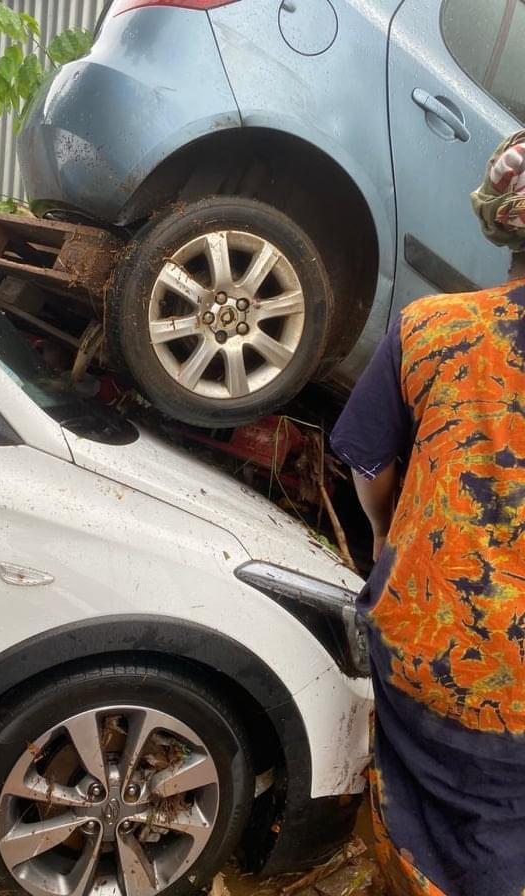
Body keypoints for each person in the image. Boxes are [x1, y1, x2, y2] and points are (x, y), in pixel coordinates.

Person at [330, 130, 525, 896]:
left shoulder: (430, 328)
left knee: (426, 821)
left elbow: (368, 461)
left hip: (427, 644)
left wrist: (385, 538)